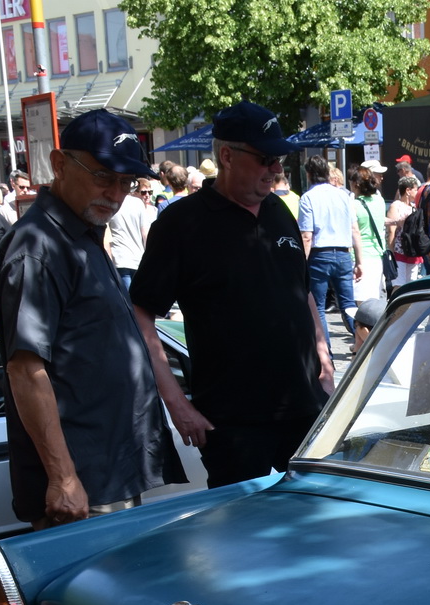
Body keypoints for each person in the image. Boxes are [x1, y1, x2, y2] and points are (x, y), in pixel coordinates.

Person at [0, 110, 187, 528]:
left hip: (108, 473)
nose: (115, 193)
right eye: (103, 176)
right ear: (59, 164)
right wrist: (63, 477)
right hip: (84, 482)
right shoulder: (39, 248)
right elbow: (25, 370)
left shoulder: (78, 232)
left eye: (126, 182)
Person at [128, 101, 334, 490]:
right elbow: (141, 314)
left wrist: (324, 358)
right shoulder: (181, 223)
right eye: (266, 159)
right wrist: (177, 404)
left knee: (314, 527)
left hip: (304, 408)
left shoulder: (278, 209)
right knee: (243, 542)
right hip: (234, 422)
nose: (277, 169)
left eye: (280, 159)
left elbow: (301, 289)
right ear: (226, 155)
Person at [296, 154, 363, 338]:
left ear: (309, 174)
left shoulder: (308, 197)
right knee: (349, 305)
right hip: (343, 254)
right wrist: (359, 261)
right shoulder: (344, 196)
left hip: (319, 255)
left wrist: (301, 263)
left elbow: (307, 236)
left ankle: (326, 354)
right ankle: (365, 344)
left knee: (318, 310)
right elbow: (354, 230)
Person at [104, 180, 154, 291]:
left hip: (119, 258)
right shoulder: (138, 204)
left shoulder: (111, 203)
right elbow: (145, 234)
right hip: (138, 259)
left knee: (126, 300)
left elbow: (106, 238)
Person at [351, 161, 389, 300]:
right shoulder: (379, 201)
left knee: (361, 304)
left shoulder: (354, 205)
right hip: (377, 255)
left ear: (356, 184)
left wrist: (358, 262)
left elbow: (355, 232)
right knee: (373, 299)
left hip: (361, 257)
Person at [388, 173, 425, 285]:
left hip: (413, 252)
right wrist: (391, 251)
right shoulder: (396, 206)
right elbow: (391, 230)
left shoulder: (415, 207)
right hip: (399, 251)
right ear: (408, 190)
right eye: (415, 189)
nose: (418, 192)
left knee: (411, 285)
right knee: (399, 285)